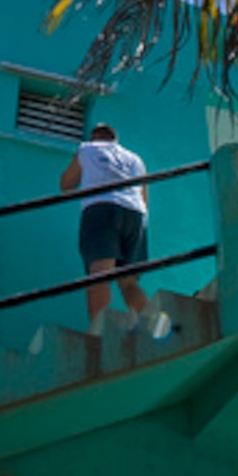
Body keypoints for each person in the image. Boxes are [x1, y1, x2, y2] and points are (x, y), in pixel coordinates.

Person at [60, 124, 171, 337]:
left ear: (94, 138)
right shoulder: (136, 160)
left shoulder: (87, 149)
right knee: (128, 282)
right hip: (136, 215)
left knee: (99, 275)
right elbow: (144, 198)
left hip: (102, 209)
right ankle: (153, 328)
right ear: (115, 139)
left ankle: (100, 333)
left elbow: (65, 183)